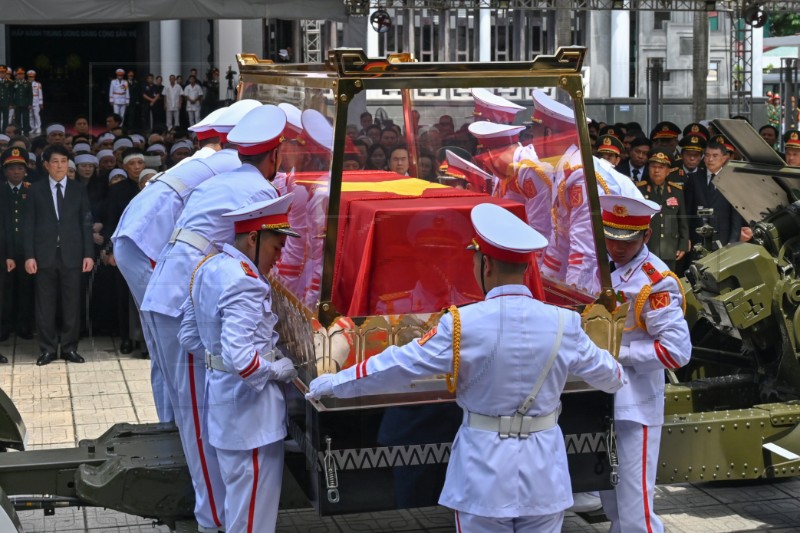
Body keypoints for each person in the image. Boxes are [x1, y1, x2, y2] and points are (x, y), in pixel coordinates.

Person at [307, 202, 626, 533]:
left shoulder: (462, 324)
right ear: (527, 270)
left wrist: (333, 384)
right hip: (544, 471)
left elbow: (398, 365)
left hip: (484, 471)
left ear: (485, 264)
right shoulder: (565, 322)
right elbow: (613, 377)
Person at [139, 102, 285, 532]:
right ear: (273, 156)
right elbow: (270, 254)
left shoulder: (224, 180)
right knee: (197, 416)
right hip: (183, 291)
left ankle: (215, 513)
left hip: (170, 284)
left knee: (188, 408)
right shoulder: (260, 192)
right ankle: (214, 520)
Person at [179, 194, 299, 533]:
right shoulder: (244, 281)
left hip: (223, 403)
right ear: (253, 238)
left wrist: (217, 363)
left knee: (239, 510)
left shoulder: (209, 266)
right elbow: (243, 359)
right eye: (276, 247)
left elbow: (189, 336)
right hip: (252, 419)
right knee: (252, 521)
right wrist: (277, 369)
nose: (278, 258)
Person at [598, 194, 691, 533]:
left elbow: (676, 352)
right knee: (614, 505)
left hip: (635, 405)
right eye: (609, 237)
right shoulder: (604, 265)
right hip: (604, 401)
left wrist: (615, 351)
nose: (616, 247)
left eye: (627, 240)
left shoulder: (656, 281)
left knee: (637, 512)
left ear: (646, 237)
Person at [23, 145, 94, 366]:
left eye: (64, 161)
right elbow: (29, 226)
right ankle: (48, 349)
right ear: (46, 165)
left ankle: (70, 348)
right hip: (44, 255)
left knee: (72, 304)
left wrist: (89, 254)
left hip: (72, 255)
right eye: (55, 161)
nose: (60, 165)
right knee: (45, 305)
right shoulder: (35, 190)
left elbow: (85, 223)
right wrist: (29, 256)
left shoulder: (78, 189)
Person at [1, 147, 34, 343]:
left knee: (26, 290)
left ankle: (24, 326)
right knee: (5, 291)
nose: (16, 172)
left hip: (26, 251)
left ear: (25, 170)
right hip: (4, 251)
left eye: (20, 168)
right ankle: (4, 327)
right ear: (5, 171)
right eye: (11, 168)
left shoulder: (32, 190)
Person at [685, 139, 742, 249]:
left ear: (724, 158)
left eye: (715, 156)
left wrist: (733, 240)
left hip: (722, 239)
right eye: (707, 155)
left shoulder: (731, 180)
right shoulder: (694, 178)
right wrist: (686, 238)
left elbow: (736, 215)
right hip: (698, 239)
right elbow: (688, 211)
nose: (710, 159)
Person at [636, 150, 689, 271]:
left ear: (668, 171)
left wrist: (683, 245)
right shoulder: (640, 190)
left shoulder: (676, 191)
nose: (656, 171)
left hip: (669, 247)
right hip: (647, 247)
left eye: (661, 167)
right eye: (653, 166)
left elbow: (682, 220)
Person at [11, 68, 32, 137]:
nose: (20, 76)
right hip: (17, 104)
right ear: (16, 75)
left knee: (26, 118)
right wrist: (13, 103)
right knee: (17, 119)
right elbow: (12, 94)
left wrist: (30, 104)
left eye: (22, 74)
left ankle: (26, 132)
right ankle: (18, 133)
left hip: (25, 104)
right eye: (19, 74)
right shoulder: (14, 83)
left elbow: (30, 95)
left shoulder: (28, 83)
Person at [27, 70, 42, 135]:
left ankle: (38, 128)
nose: (31, 78)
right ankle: (32, 128)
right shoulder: (26, 83)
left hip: (36, 102)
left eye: (32, 77)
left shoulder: (38, 84)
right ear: (28, 77)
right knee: (30, 116)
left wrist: (41, 102)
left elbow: (40, 93)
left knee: (36, 115)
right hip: (29, 102)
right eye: (30, 77)